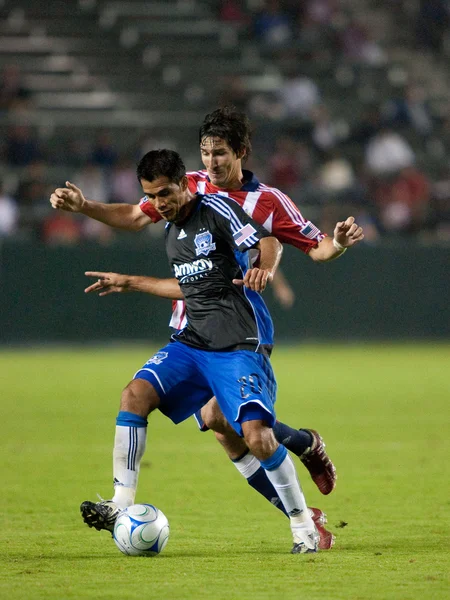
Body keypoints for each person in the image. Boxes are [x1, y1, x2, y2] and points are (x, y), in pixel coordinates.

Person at [50, 107, 363, 518]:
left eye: (220, 153)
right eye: (205, 153)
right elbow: (131, 215)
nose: (211, 163)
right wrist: (84, 205)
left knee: (228, 419)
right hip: (190, 326)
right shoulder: (185, 186)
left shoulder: (267, 201)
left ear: (242, 152)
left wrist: (333, 243)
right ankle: (303, 453)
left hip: (233, 324)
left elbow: (304, 246)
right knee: (219, 423)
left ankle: (302, 503)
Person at [81, 149, 319, 554]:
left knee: (257, 437)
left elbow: (267, 240)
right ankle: (121, 504)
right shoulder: (173, 234)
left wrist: (264, 268)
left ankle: (304, 528)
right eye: (151, 196)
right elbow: (189, 289)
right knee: (135, 395)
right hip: (192, 342)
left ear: (185, 183)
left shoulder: (217, 210)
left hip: (237, 342)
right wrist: (129, 282)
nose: (159, 204)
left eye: (165, 193)